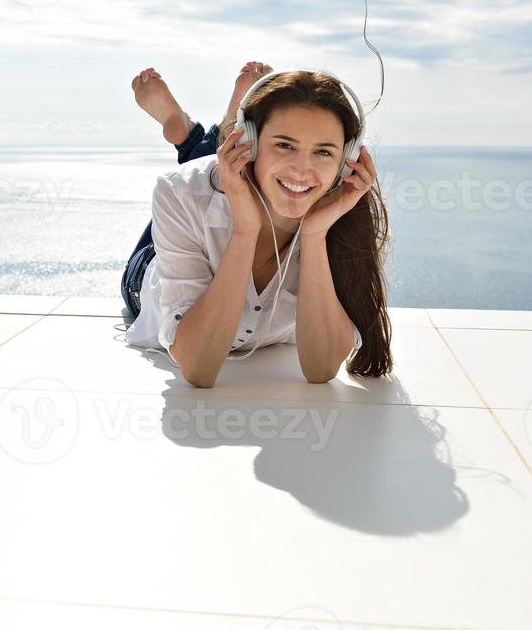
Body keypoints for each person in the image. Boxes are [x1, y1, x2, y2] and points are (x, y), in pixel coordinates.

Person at [120, 63, 393, 387]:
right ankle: (200, 132)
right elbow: (197, 368)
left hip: (237, 176)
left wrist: (316, 233)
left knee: (222, 168)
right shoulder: (180, 192)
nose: (302, 170)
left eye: (323, 152)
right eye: (284, 145)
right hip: (150, 275)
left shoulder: (338, 207)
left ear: (346, 158)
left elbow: (320, 370)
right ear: (249, 144)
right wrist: (245, 230)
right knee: (205, 180)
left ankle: (210, 131)